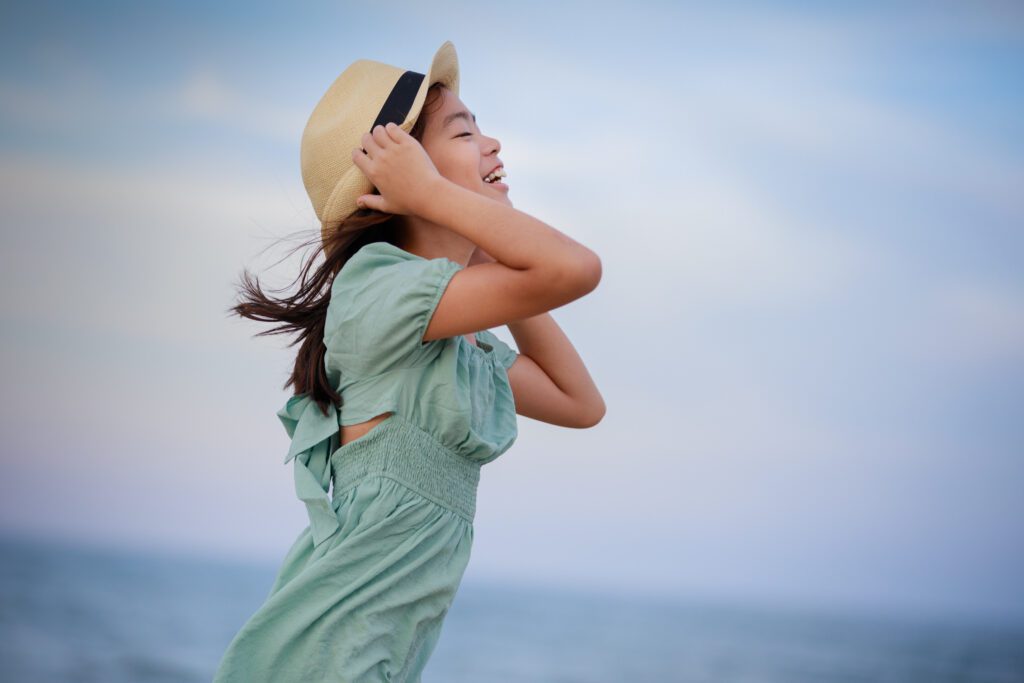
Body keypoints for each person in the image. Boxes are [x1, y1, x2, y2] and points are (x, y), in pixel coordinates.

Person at [212, 40, 604, 682]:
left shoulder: (454, 344)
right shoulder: (377, 290)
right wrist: (440, 203)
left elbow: (580, 404)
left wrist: (483, 252)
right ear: (399, 174)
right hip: (323, 656)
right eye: (464, 131)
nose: (493, 144)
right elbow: (575, 268)